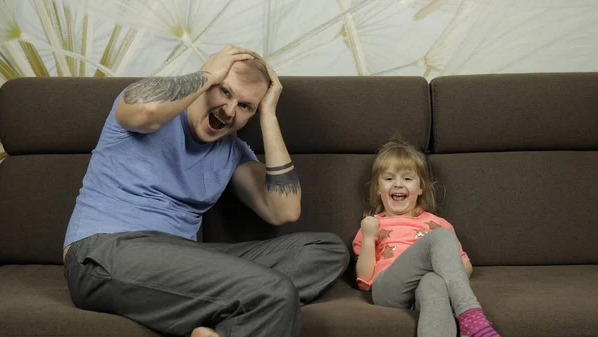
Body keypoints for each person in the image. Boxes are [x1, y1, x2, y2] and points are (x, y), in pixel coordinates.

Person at [62, 45, 349, 337]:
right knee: (274, 291)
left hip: (179, 261)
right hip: (104, 252)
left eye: (245, 106)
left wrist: (269, 117)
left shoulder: (233, 153)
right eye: (224, 91)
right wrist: (208, 73)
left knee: (325, 251)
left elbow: (284, 211)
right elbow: (147, 111)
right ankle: (254, 303)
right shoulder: (146, 102)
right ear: (207, 82)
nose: (229, 110)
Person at [352, 135, 501, 337]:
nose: (398, 184)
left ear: (420, 187)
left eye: (407, 178)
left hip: (427, 290)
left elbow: (465, 267)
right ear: (378, 189)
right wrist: (369, 238)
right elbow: (364, 280)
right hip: (388, 289)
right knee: (440, 237)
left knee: (433, 279)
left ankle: (469, 323)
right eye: (389, 178)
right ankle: (471, 317)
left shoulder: (437, 223)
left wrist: (438, 267)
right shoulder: (372, 224)